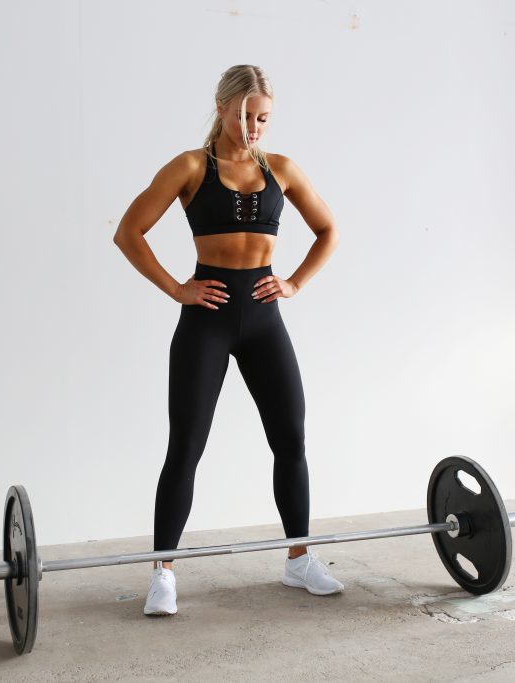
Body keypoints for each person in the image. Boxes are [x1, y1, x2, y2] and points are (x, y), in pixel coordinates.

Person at [112, 65, 342, 616]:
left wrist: (294, 282)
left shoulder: (281, 169)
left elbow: (328, 230)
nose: (255, 128)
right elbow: (128, 232)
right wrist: (177, 289)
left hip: (264, 320)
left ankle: (298, 559)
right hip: (207, 321)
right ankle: (163, 572)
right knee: (186, 447)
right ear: (221, 108)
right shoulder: (191, 167)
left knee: (290, 438)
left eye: (263, 118)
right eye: (246, 116)